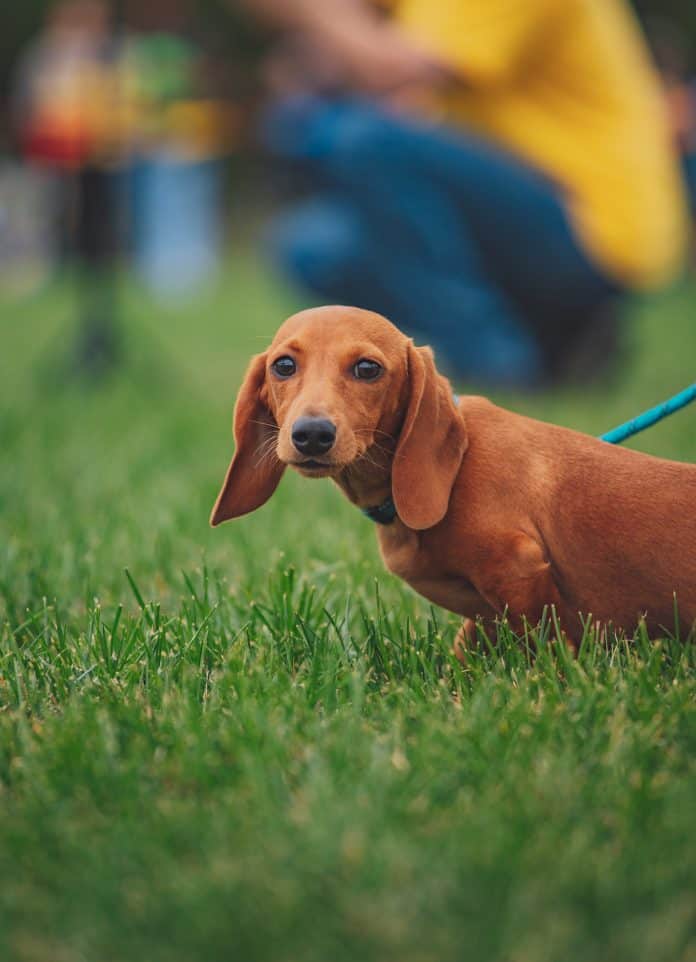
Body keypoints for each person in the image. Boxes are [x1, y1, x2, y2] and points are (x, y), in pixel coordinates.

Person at [249, 0, 689, 386]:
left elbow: (389, 69)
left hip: (594, 224)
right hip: (526, 216)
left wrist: (314, 9)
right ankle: (553, 347)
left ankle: (495, 365)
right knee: (313, 246)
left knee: (361, 140)